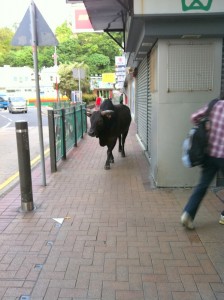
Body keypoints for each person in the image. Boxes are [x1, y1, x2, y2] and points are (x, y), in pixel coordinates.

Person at [181, 95, 224, 229]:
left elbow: (194, 117)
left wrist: (205, 124)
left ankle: (188, 213)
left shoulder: (215, 105)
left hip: (210, 155)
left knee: (202, 186)